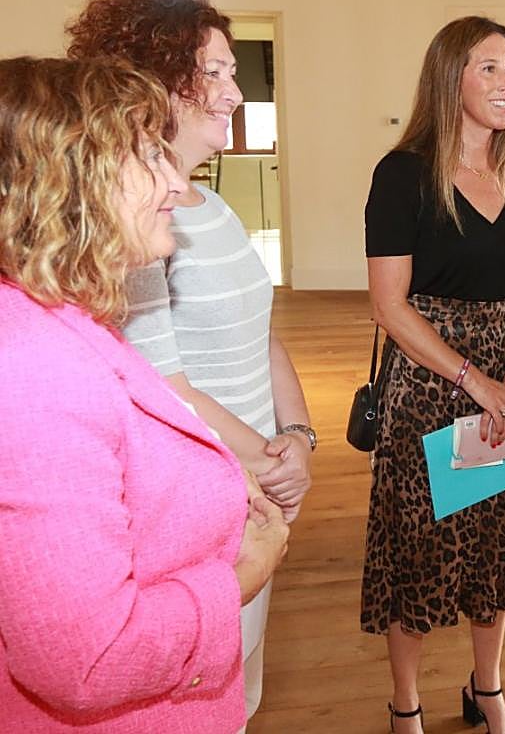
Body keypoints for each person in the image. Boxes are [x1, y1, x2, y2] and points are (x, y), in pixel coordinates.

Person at [0, 56, 289, 732]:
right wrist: (243, 575)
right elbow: (89, 661)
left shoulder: (63, 321)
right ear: (70, 180)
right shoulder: (36, 371)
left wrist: (229, 484)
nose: (175, 183)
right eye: (149, 157)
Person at [66, 0, 314, 725]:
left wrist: (296, 436)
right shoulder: (140, 223)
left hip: (253, 489)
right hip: (200, 499)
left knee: (242, 688)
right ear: (156, 79)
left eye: (234, 72)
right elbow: (161, 386)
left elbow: (262, 331)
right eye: (215, 72)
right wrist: (266, 465)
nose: (235, 92)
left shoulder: (215, 206)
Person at [362, 16, 505, 734]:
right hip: (430, 382)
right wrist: (477, 382)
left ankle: (488, 689)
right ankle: (405, 703)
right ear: (451, 78)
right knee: (420, 551)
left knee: (497, 546)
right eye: (489, 67)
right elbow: (389, 305)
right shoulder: (403, 175)